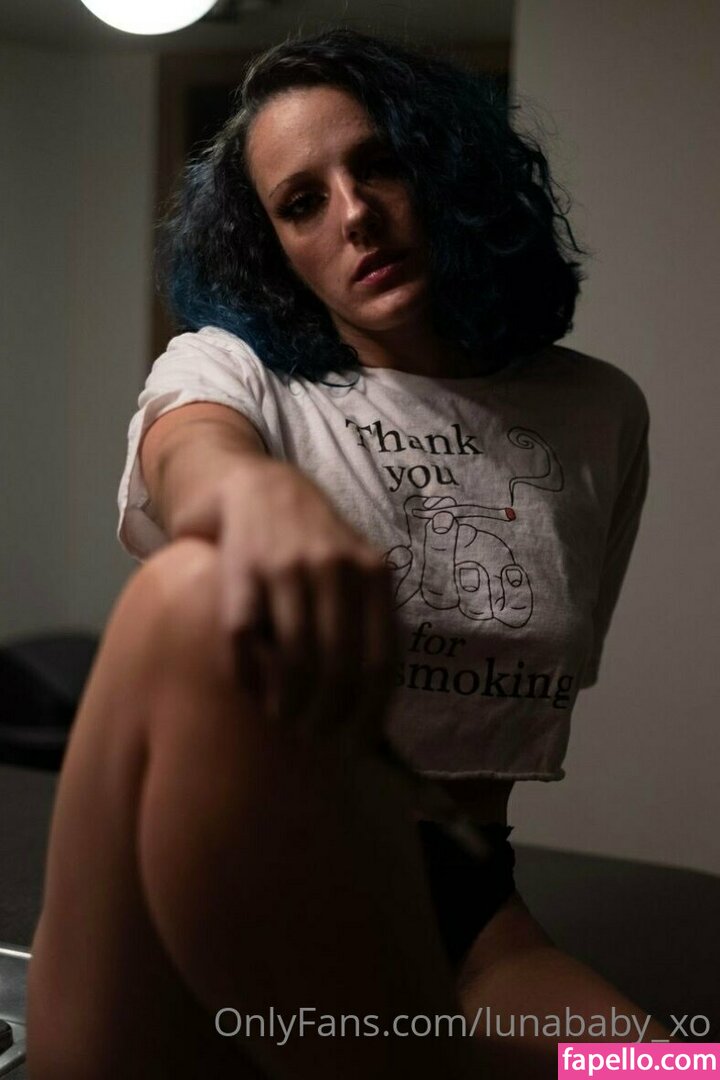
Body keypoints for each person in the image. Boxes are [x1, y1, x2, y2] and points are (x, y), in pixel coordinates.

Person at [26, 28, 666, 1079]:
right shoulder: (235, 370)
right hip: (190, 897)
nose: (355, 213)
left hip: (463, 908)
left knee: (673, 1070)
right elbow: (193, 449)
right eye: (302, 202)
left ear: (445, 169)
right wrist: (253, 497)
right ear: (272, 245)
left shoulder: (596, 412)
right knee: (188, 591)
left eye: (379, 165)